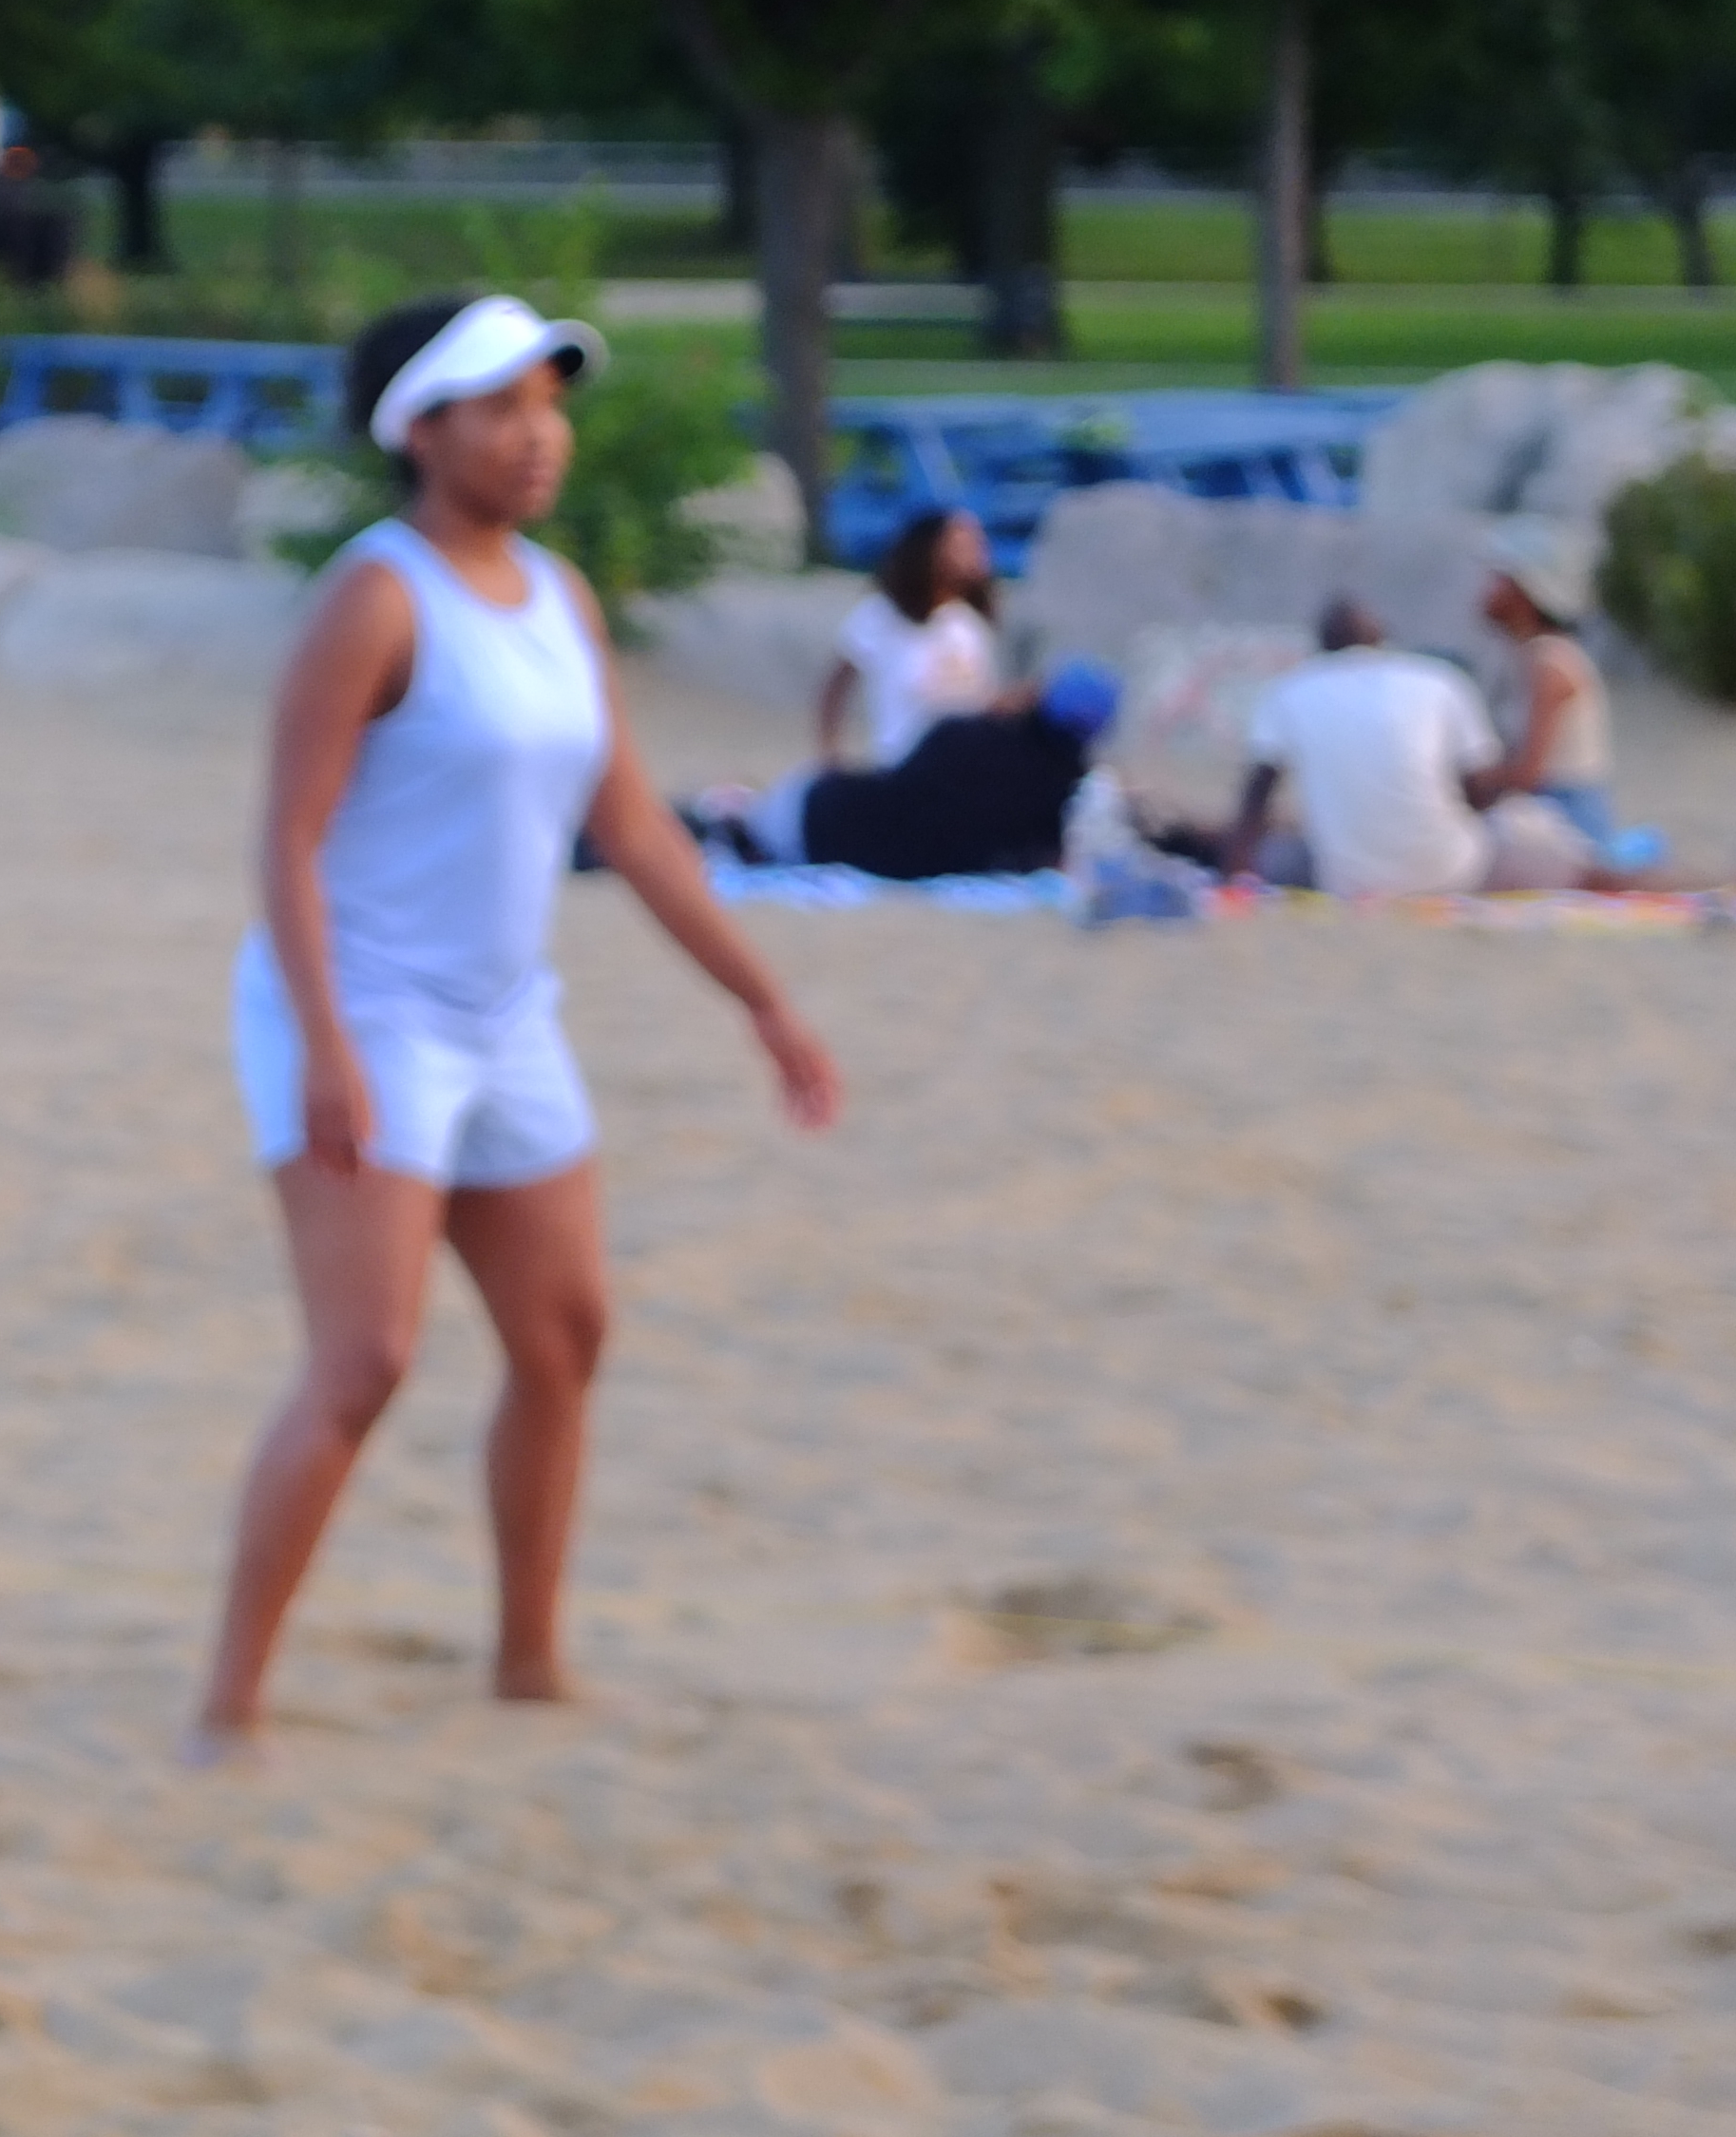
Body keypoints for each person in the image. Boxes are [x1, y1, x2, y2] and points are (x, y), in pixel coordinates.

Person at [200, 293, 840, 1755]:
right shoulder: (377, 596)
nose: (537, 436)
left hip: (505, 1019)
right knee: (363, 1363)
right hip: (363, 1010)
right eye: (501, 409)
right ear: (420, 433)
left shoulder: (558, 599)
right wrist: (325, 1049)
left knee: (566, 1339)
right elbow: (287, 840)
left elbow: (630, 824)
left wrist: (765, 1005)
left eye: (547, 406)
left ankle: (528, 1661)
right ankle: (228, 1702)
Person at [1224, 597, 1604, 895]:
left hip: (1348, 880)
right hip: (1452, 871)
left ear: (1321, 648)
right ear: (1383, 641)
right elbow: (1482, 791)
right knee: (1579, 868)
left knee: (1283, 849)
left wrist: (1237, 875)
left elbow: (1255, 797)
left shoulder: (1290, 688)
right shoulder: (1437, 679)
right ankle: (1655, 881)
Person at [725, 659, 1122, 882]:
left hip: (815, 814)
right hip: (864, 850)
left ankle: (729, 816)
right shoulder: (1064, 798)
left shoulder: (961, 734)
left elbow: (906, 785)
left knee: (754, 809)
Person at [818, 506, 1007, 767]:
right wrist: (830, 755)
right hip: (901, 770)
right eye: (962, 544)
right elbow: (835, 688)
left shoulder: (968, 624)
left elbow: (980, 703)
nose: (977, 553)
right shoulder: (880, 615)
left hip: (962, 772)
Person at [1469, 520, 1617, 846]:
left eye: (1499, 579)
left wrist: (1468, 779)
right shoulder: (1529, 655)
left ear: (1526, 592)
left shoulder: (1551, 663)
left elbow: (1528, 773)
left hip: (1567, 816)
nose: (1486, 589)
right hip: (1550, 808)